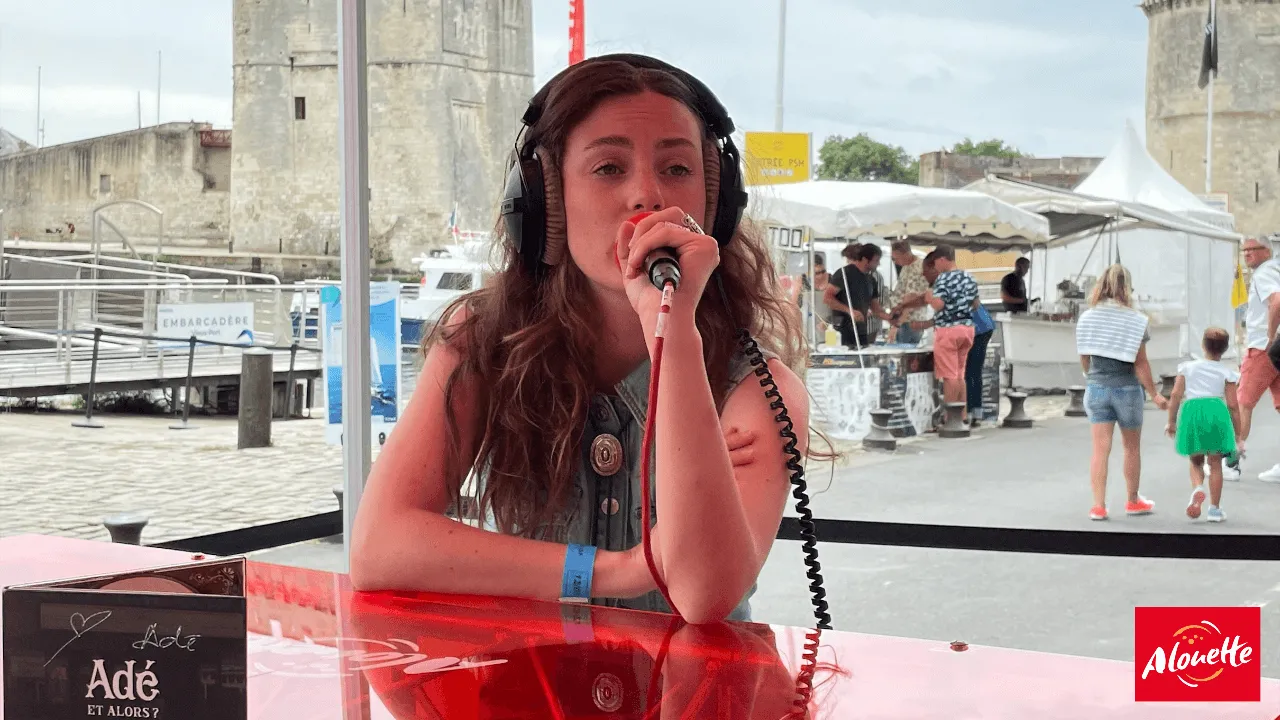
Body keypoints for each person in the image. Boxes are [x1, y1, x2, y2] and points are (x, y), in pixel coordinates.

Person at [348, 54, 812, 625]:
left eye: (677, 168)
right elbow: (379, 546)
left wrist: (674, 333)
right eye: (608, 167)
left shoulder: (759, 387)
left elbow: (704, 594)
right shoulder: (482, 342)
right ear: (546, 200)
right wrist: (617, 569)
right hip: (531, 675)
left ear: (714, 204)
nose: (647, 195)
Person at [1075, 264, 1168, 521]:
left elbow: (1084, 357)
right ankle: (1132, 500)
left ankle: (1098, 506)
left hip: (1097, 388)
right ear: (1127, 287)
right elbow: (1141, 363)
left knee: (1100, 449)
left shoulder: (1087, 317)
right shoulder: (1136, 320)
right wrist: (1155, 394)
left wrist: (1090, 377)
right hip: (1127, 389)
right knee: (1131, 448)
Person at [1165, 327, 1240, 523]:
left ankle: (1198, 488)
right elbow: (1233, 405)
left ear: (1203, 345)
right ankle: (1214, 510)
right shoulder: (1227, 372)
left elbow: (1175, 395)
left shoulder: (1187, 368)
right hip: (1215, 412)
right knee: (1215, 464)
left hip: (1192, 411)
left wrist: (1171, 421)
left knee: (1195, 460)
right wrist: (1238, 434)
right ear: (1225, 349)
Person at [1233, 236, 1280, 482]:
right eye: (1244, 250)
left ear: (1267, 251)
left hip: (1263, 347)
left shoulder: (1264, 273)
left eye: (1253, 249)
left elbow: (1277, 301)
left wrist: (1270, 336)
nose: (1247, 253)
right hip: (1275, 348)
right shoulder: (1276, 270)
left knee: (1243, 403)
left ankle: (1230, 461)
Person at [924, 245, 980, 421]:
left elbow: (939, 305)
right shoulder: (969, 277)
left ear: (942, 259)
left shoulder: (943, 279)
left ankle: (951, 418)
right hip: (967, 329)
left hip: (948, 330)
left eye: (935, 263)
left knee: (949, 376)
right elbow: (976, 304)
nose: (935, 267)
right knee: (960, 375)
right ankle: (962, 416)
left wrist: (929, 298)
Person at [824, 243, 892, 349]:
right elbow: (827, 298)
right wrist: (849, 311)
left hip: (861, 331)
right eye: (876, 260)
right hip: (841, 332)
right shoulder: (844, 273)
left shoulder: (871, 280)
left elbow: (876, 309)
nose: (878, 264)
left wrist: (890, 318)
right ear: (865, 259)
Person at [886, 239, 931, 345]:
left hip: (908, 322)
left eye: (896, 258)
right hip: (905, 321)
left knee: (903, 352)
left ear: (905, 254)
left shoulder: (917, 268)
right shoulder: (906, 266)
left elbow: (911, 300)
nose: (895, 262)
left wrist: (896, 325)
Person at [965, 300, 997, 426]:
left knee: (969, 372)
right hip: (984, 325)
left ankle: (969, 412)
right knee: (974, 371)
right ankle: (976, 411)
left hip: (977, 328)